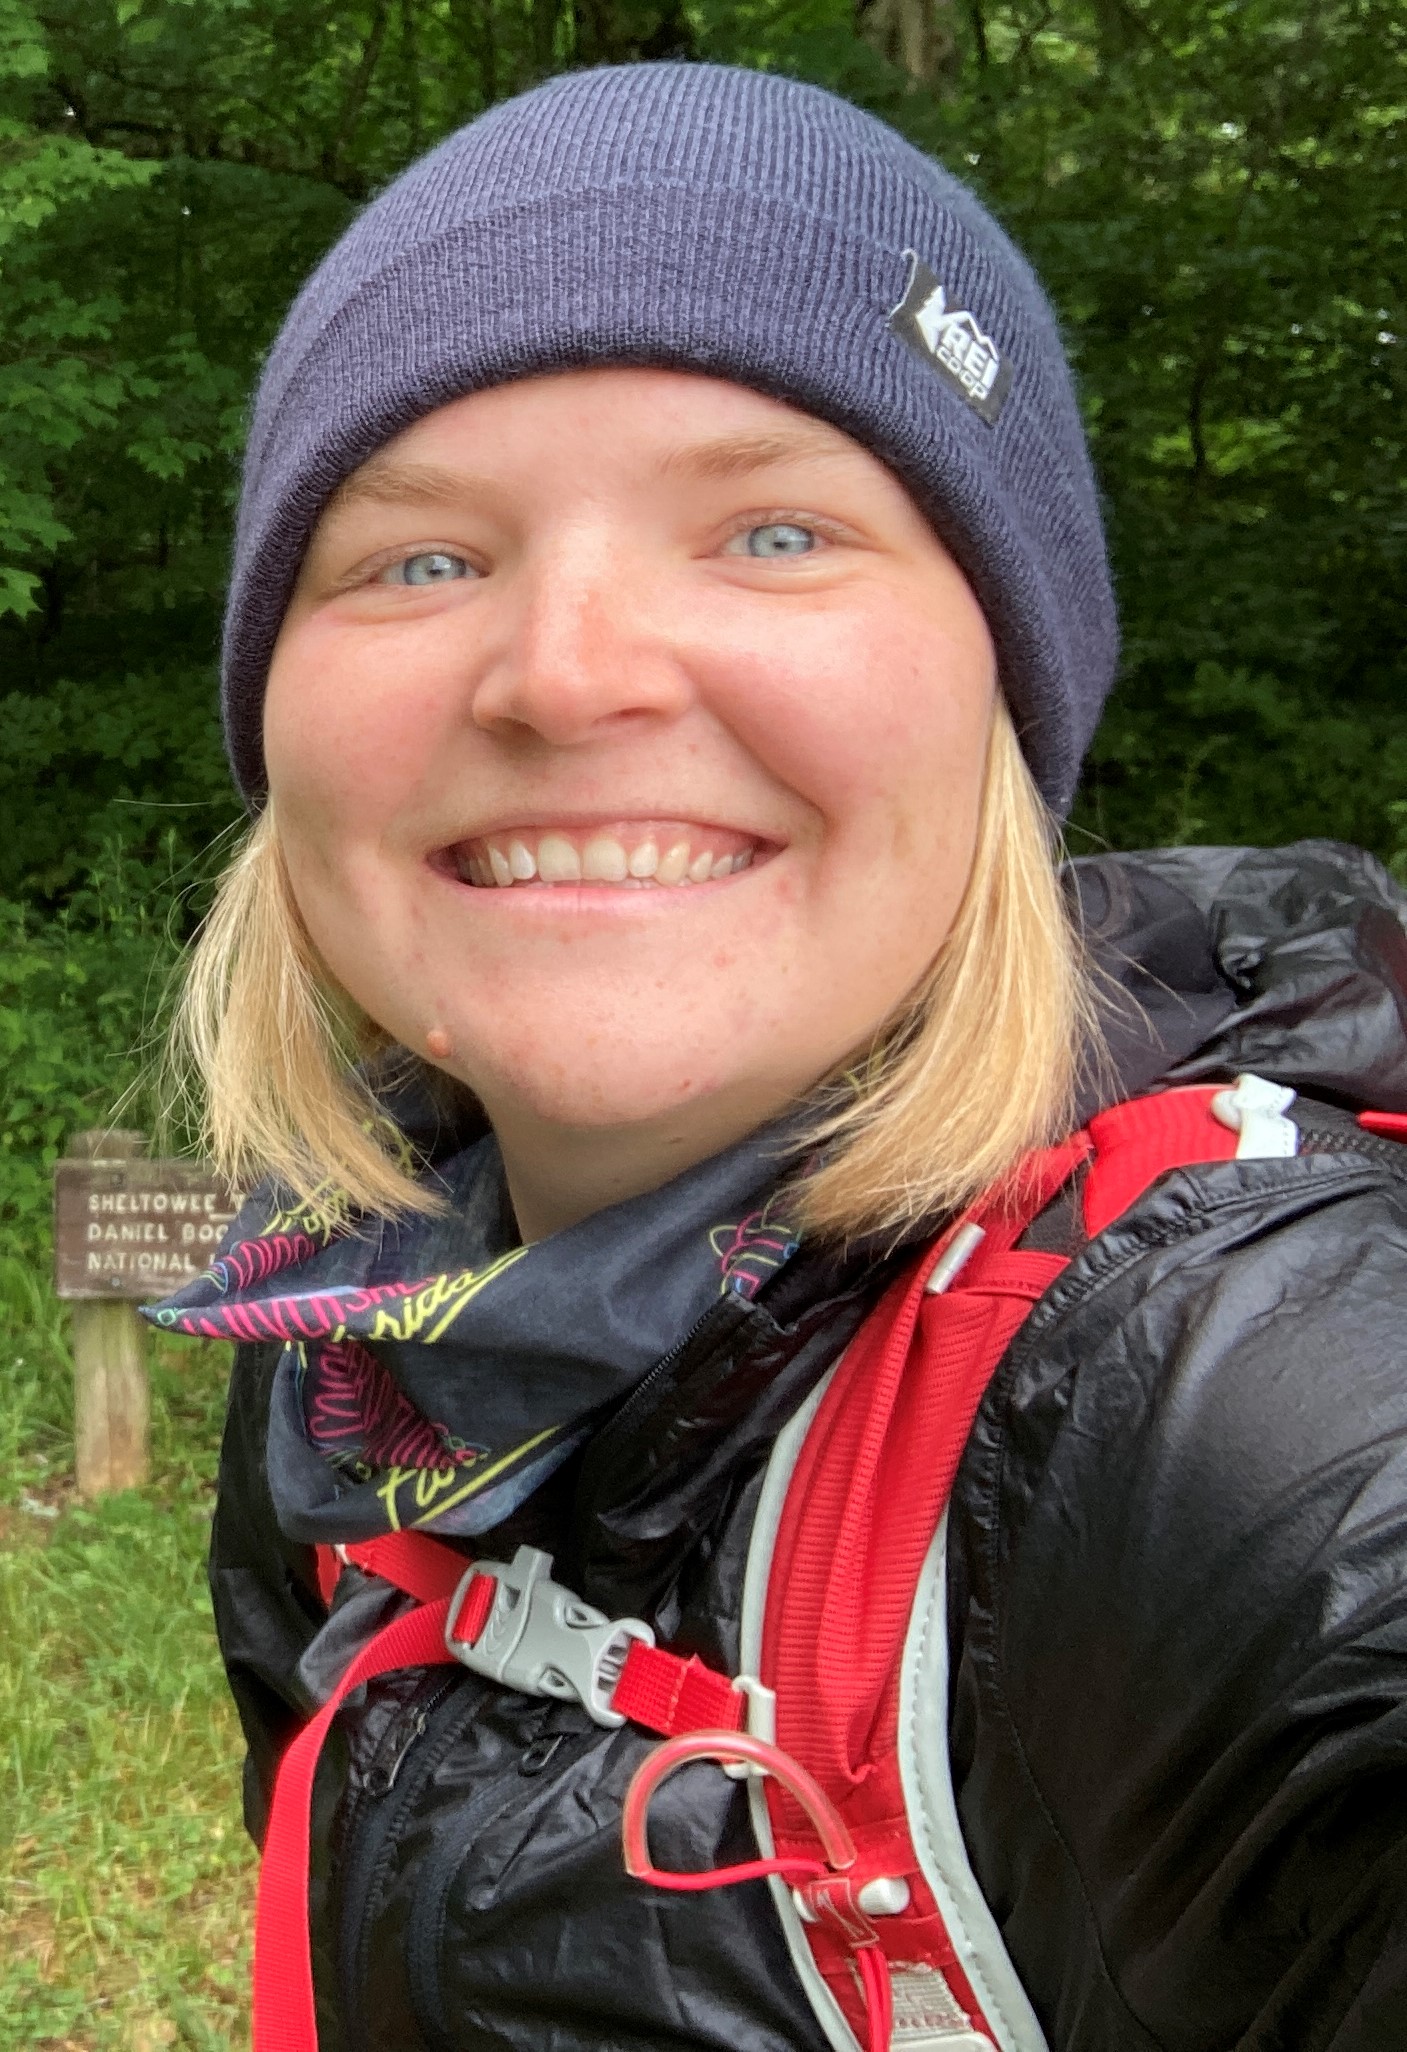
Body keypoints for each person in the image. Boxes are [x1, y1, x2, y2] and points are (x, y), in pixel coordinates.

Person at [148, 59, 1407, 2052]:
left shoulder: (1243, 1408)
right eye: (415, 557)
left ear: (994, 694)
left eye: (773, 534)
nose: (563, 672)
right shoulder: (359, 1347)